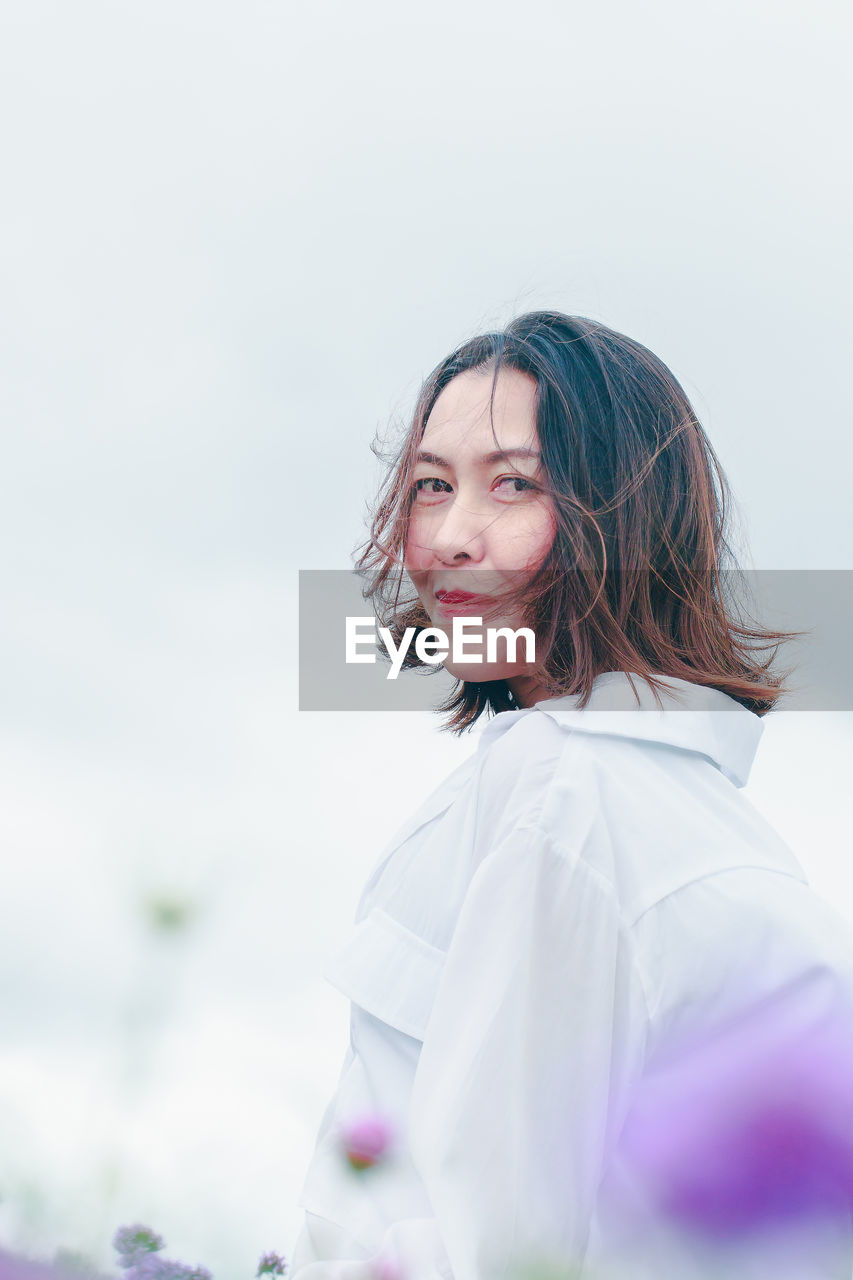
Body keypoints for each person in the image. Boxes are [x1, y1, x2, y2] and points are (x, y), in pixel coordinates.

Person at [289, 312, 853, 1279]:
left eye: (514, 484)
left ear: (624, 517)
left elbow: (496, 1252)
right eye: (431, 486)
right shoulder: (679, 810)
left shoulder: (570, 794)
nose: (452, 538)